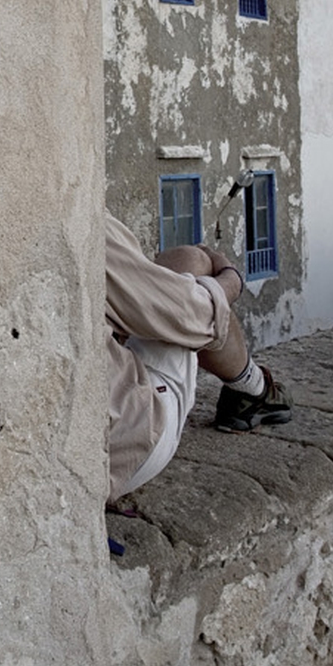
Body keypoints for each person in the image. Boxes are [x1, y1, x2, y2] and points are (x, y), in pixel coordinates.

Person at [105, 211, 289, 502]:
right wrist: (231, 279)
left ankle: (251, 389)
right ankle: (252, 389)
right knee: (194, 263)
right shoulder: (68, 204)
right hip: (119, 451)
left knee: (166, 286)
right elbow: (192, 313)